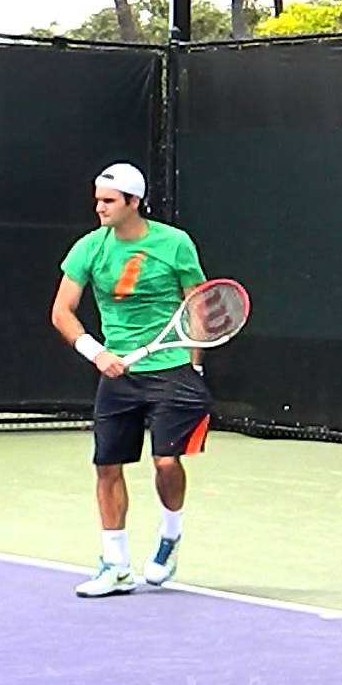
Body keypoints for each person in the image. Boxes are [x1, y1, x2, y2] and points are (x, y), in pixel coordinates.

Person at [50, 162, 213, 598]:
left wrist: (194, 366)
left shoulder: (175, 244)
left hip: (171, 368)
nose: (99, 207)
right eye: (97, 200)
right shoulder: (89, 248)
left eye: (108, 200)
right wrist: (97, 353)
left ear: (133, 202)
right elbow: (61, 312)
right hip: (117, 373)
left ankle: (170, 537)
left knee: (165, 462)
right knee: (107, 468)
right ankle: (116, 564)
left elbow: (197, 306)